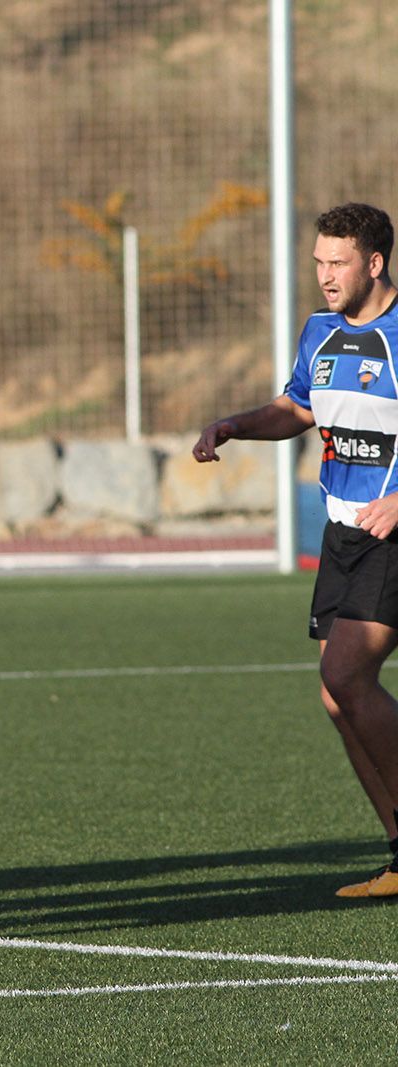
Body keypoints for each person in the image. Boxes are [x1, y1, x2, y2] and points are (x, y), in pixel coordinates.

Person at [195, 202, 398, 898]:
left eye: (337, 262)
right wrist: (234, 424)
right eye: (318, 262)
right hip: (342, 534)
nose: (324, 275)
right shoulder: (320, 332)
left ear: (374, 263)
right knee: (337, 696)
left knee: (347, 674)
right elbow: (299, 408)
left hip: (393, 534)